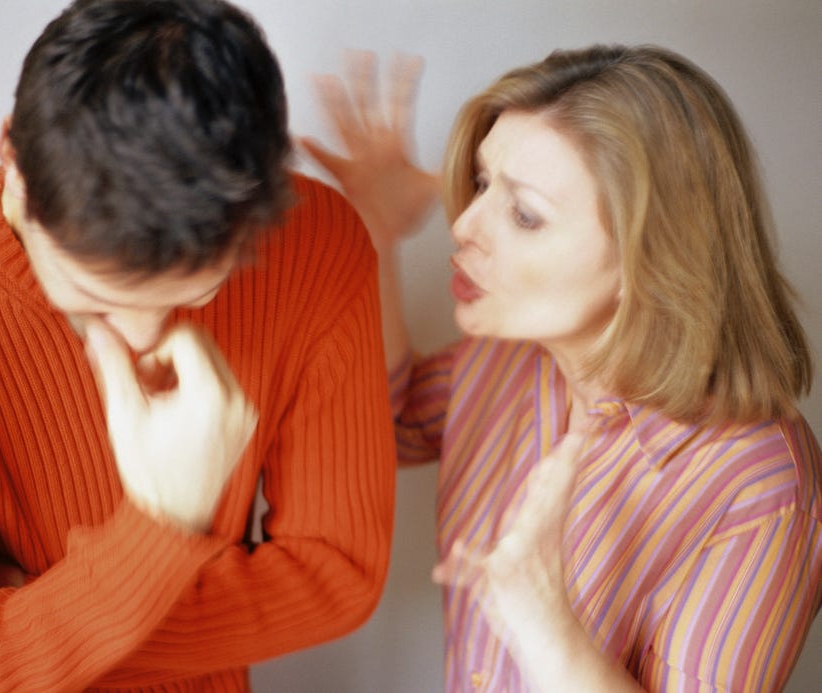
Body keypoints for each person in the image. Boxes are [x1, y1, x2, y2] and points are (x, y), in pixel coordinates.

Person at [0, 0, 396, 689]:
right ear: (13, 154)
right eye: (93, 296)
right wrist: (161, 533)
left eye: (199, 294)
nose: (144, 341)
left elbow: (337, 573)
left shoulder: (318, 246)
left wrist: (36, 617)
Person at [302, 45, 821, 691]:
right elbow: (389, 422)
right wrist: (375, 231)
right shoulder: (504, 357)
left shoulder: (760, 487)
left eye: (524, 214)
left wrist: (545, 623)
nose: (463, 223)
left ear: (649, 262)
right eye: (484, 182)